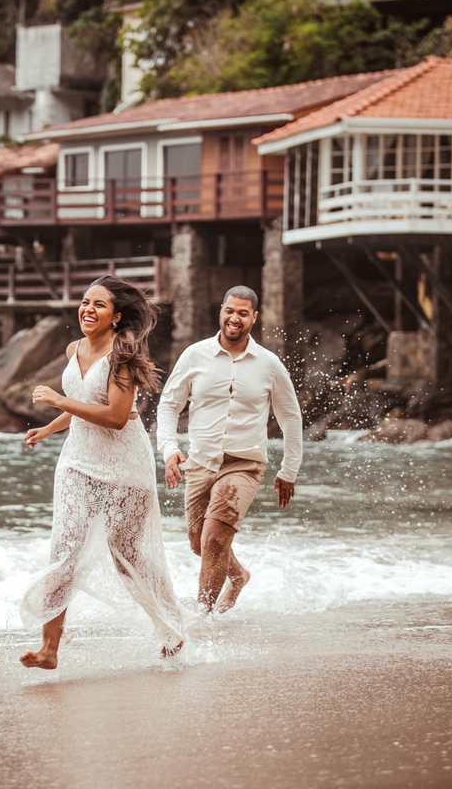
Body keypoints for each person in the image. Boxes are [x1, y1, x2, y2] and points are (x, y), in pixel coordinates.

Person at [19, 276, 185, 669]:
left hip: (124, 463)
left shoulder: (121, 355)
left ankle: (171, 626)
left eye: (99, 305)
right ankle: (49, 649)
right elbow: (82, 403)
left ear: (116, 317)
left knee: (125, 554)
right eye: (84, 302)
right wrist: (50, 427)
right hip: (77, 459)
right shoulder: (73, 348)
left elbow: (113, 416)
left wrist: (59, 400)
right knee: (64, 549)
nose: (87, 310)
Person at [156, 286, 302, 614]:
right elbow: (168, 405)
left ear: (254, 317)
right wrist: (168, 449)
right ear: (221, 311)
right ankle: (238, 577)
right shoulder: (194, 355)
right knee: (199, 545)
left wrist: (288, 469)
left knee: (215, 541)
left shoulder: (269, 364)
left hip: (244, 464)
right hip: (200, 463)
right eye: (229, 311)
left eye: (243, 313)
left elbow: (291, 417)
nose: (235, 318)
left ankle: (201, 618)